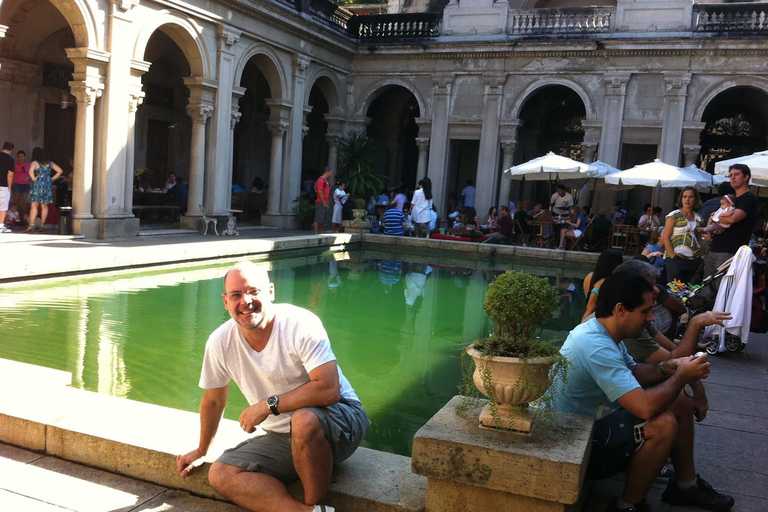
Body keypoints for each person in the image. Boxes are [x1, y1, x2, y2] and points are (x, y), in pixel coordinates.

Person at [177, 262, 369, 512]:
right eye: (236, 295)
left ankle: (316, 502)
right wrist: (202, 449)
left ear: (270, 292)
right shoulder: (219, 342)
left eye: (254, 291)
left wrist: (267, 406)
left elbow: (328, 389)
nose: (246, 301)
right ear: (225, 301)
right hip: (283, 436)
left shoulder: (300, 323)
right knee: (221, 474)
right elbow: (214, 400)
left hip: (342, 419)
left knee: (303, 421)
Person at [550, 272, 734, 512]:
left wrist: (665, 368)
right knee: (662, 426)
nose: (649, 318)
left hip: (592, 424)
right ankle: (627, 505)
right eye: (645, 311)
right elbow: (644, 407)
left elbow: (635, 372)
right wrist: (681, 376)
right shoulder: (595, 345)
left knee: (677, 401)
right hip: (574, 441)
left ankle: (685, 486)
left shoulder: (605, 332)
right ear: (620, 309)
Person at [703, 163, 758, 283]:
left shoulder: (749, 198)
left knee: (721, 287)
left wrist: (716, 218)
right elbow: (716, 216)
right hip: (716, 247)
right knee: (706, 286)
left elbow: (733, 219)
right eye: (731, 175)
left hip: (730, 250)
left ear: (746, 177)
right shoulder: (731, 198)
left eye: (736, 175)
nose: (732, 178)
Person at [662, 187, 702, 284]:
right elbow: (665, 237)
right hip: (677, 256)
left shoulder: (698, 217)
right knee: (674, 288)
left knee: (689, 287)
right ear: (681, 199)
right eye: (684, 197)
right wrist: (673, 256)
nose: (687, 199)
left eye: (690, 197)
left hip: (693, 257)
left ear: (695, 199)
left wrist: (701, 254)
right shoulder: (674, 215)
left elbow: (698, 237)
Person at [26, 147, 63, 232]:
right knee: (44, 205)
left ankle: (32, 225)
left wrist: (34, 178)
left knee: (34, 206)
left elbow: (30, 171)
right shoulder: (49, 163)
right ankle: (42, 225)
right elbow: (60, 171)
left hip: (37, 185)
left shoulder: (35, 162)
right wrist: (52, 179)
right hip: (47, 185)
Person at [582, 248, 624, 322]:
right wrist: (581, 327)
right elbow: (590, 308)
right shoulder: (604, 283)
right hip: (597, 320)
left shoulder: (590, 277)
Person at [11, 149, 30, 222]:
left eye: (22, 156)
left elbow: (33, 174)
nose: (21, 158)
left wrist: (30, 178)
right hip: (17, 184)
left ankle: (24, 217)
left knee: (25, 202)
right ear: (18, 157)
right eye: (19, 156)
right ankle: (17, 216)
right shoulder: (15, 165)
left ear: (25, 157)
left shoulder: (28, 165)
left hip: (26, 184)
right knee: (16, 201)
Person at [0, 141, 14, 233]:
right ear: (11, 150)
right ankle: (0, 226)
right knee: (3, 207)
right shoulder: (10, 159)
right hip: (3, 186)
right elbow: (10, 175)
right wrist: (9, 187)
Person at [314, 168, 331, 235]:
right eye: (330, 172)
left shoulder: (325, 181)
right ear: (327, 172)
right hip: (320, 202)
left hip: (324, 201)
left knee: (322, 219)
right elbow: (320, 191)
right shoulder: (321, 180)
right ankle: (316, 233)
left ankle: (321, 232)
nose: (330, 174)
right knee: (318, 218)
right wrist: (324, 202)